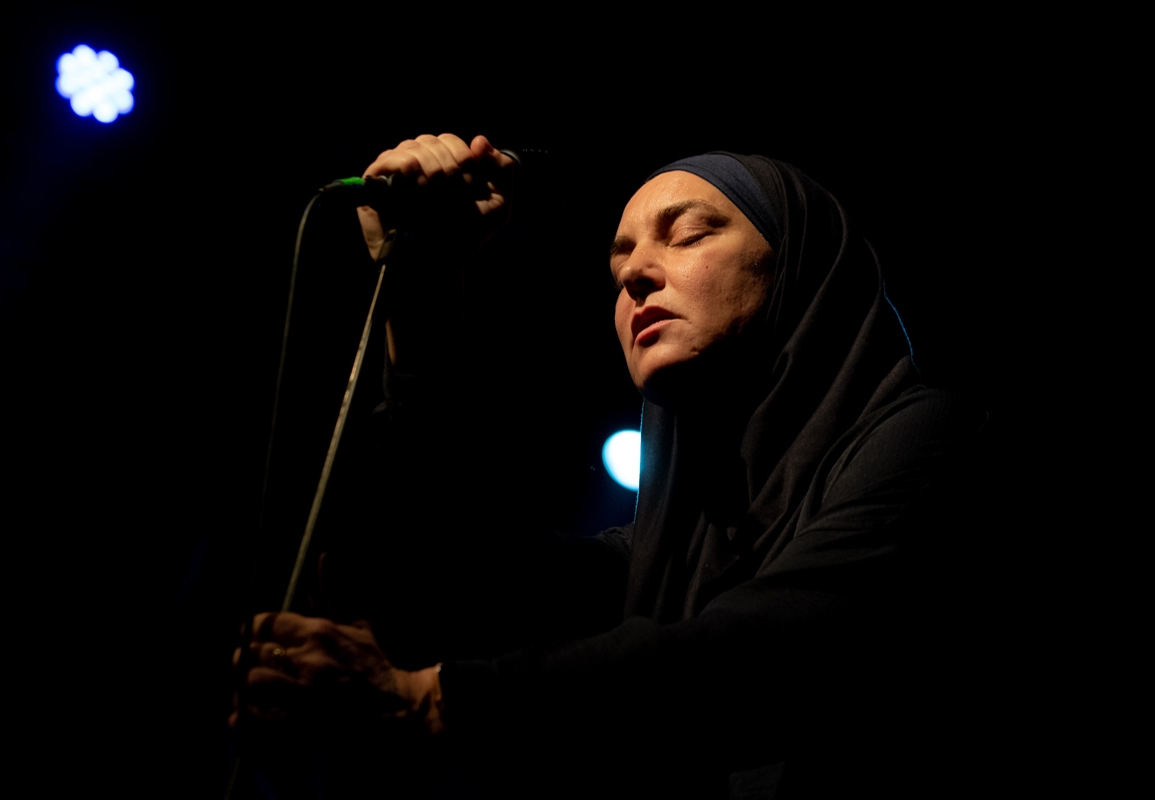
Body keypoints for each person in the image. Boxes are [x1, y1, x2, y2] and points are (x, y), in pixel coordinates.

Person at [234, 134, 986, 798]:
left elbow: (777, 652)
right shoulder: (667, 558)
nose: (635, 276)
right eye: (619, 262)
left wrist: (430, 701)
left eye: (687, 234)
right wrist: (423, 293)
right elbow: (474, 578)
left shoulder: (935, 438)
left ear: (800, 265)